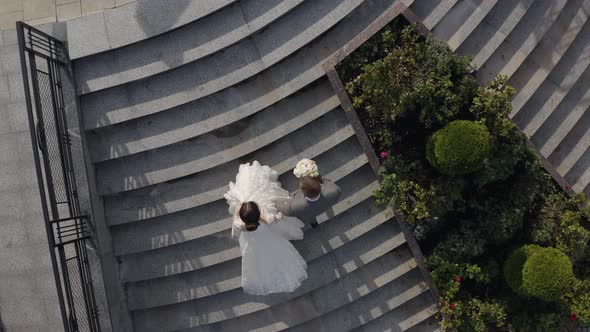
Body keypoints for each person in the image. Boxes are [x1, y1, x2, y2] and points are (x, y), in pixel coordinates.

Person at [224, 161, 308, 295]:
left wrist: (237, 212)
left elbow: (234, 235)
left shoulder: (238, 224)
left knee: (256, 262)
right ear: (257, 212)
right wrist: (278, 216)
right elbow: (274, 220)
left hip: (251, 244)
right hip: (268, 239)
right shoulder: (265, 219)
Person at [279, 159, 342, 228]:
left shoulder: (295, 206)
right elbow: (326, 181)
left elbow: (284, 210)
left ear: (303, 192)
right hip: (325, 205)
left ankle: (314, 224)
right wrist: (318, 176)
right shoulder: (335, 191)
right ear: (319, 185)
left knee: (310, 217)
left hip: (309, 214)